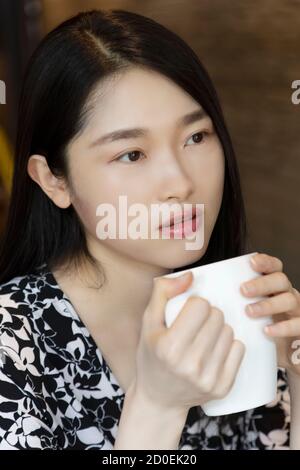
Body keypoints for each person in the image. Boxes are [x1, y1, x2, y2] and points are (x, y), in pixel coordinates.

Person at [0, 9, 299, 450]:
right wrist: (158, 406)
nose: (180, 183)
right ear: (53, 180)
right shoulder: (13, 349)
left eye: (196, 137)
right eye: (132, 154)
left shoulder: (240, 310)